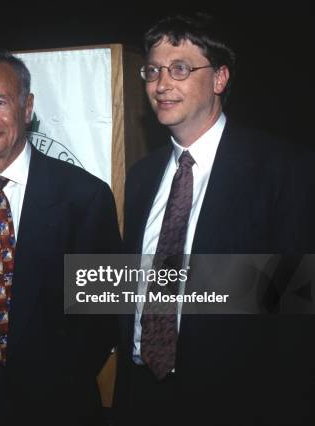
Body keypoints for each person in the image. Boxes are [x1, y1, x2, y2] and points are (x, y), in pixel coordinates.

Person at [114, 13, 312, 426]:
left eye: (180, 69)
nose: (161, 84)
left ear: (220, 79)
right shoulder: (141, 177)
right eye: (152, 70)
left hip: (234, 402)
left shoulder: (280, 169)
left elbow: (296, 314)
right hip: (141, 396)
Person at [0, 51, 122, 425]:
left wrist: (57, 385)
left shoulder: (85, 197)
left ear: (27, 106)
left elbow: (103, 316)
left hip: (57, 402)